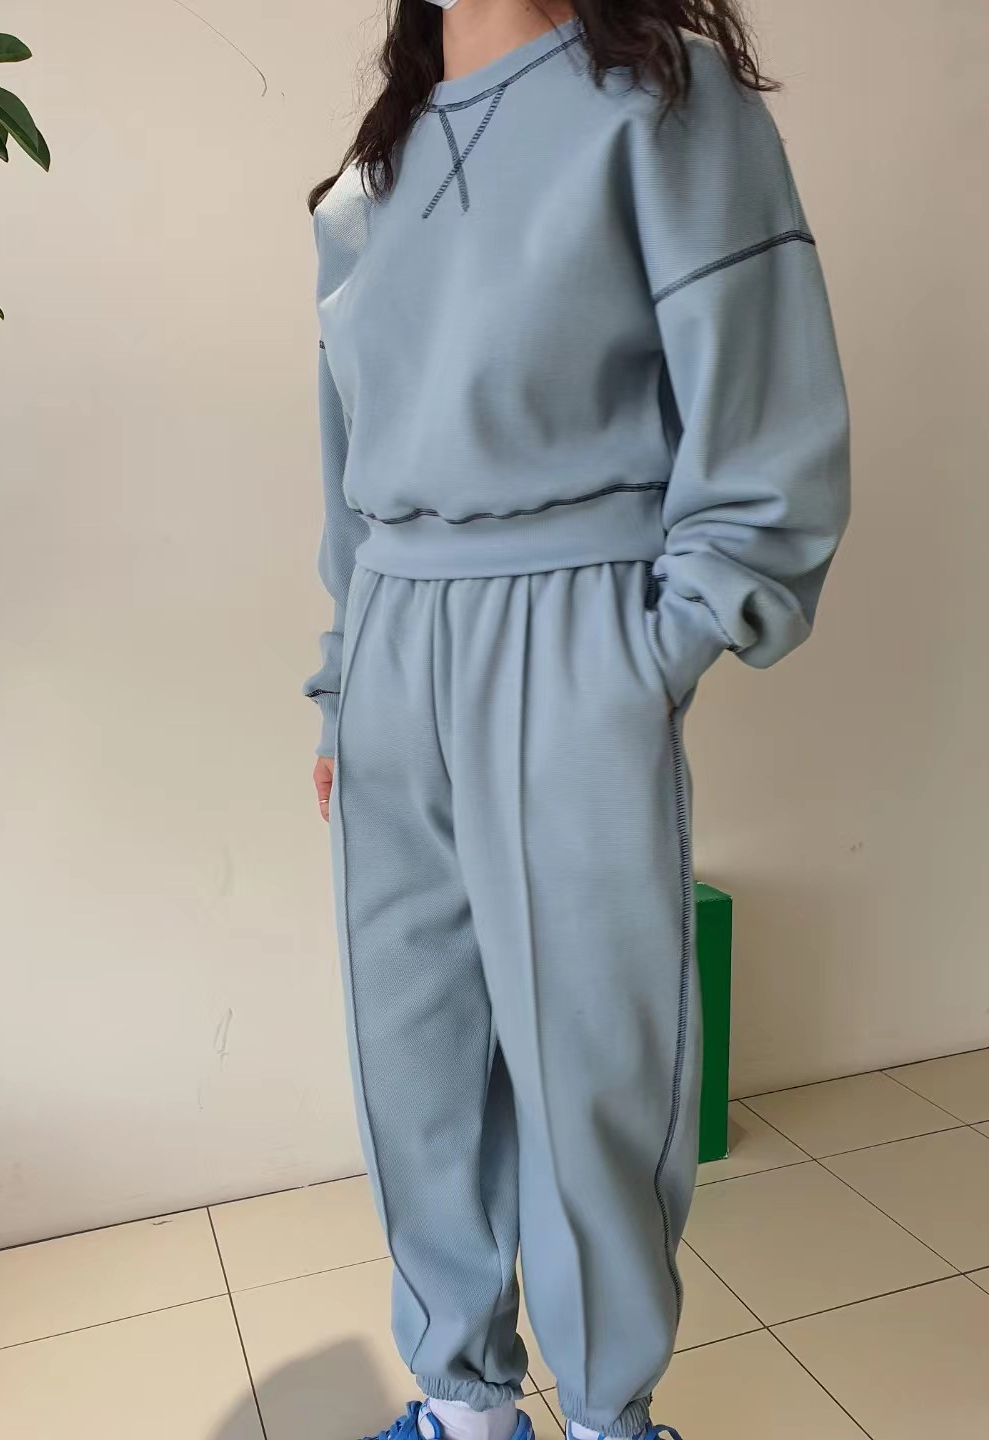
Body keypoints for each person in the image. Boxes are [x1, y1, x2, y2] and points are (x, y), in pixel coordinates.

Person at [302, 1, 850, 1437]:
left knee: (592, 1067)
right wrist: (343, 684)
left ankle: (610, 1416)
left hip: (570, 632)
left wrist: (653, 651)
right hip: (394, 641)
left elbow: (766, 415)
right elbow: (349, 459)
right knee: (414, 1060)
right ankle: (465, 1406)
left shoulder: (660, 101)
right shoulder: (369, 178)